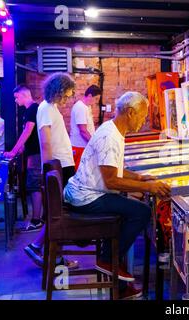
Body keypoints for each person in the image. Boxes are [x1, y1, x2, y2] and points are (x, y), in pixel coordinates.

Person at [64, 91, 171, 300]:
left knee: (128, 209)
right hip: (86, 197)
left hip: (89, 192)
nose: (144, 120)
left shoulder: (114, 131)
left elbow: (116, 170)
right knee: (141, 211)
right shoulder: (110, 136)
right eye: (142, 115)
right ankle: (107, 259)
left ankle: (118, 281)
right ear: (130, 113)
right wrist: (151, 188)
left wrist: (140, 179)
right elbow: (112, 180)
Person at [23, 72, 78, 270]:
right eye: (67, 95)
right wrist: (50, 173)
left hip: (62, 164)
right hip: (58, 167)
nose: (67, 99)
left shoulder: (51, 108)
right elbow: (45, 142)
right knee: (59, 214)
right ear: (59, 91)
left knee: (59, 214)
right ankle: (39, 247)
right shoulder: (46, 109)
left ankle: (51, 254)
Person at [4, 84, 43, 232]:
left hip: (36, 155)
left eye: (16, 97)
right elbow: (31, 137)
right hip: (34, 153)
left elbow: (28, 131)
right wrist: (19, 150)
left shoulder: (32, 109)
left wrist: (13, 151)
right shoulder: (31, 110)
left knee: (34, 186)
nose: (15, 100)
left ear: (25, 95)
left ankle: (36, 221)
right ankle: (40, 218)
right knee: (36, 186)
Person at [70, 85, 101, 170]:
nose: (96, 102)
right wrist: (94, 143)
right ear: (90, 95)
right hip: (79, 146)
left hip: (84, 146)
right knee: (79, 173)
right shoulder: (80, 107)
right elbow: (83, 130)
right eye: (96, 99)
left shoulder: (87, 107)